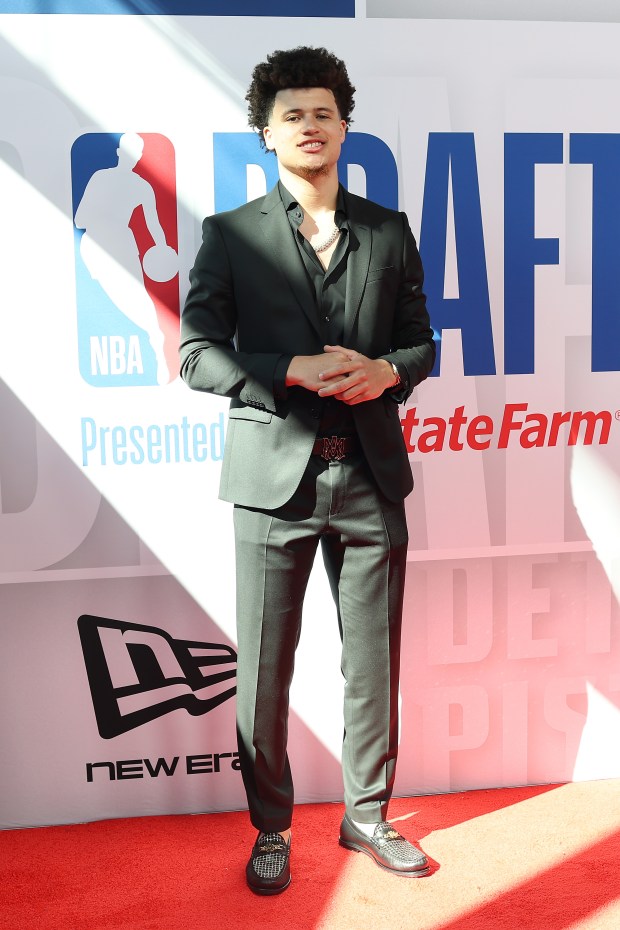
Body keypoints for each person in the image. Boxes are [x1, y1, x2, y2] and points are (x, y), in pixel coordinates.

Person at [180, 46, 436, 895]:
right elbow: (195, 355)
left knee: (373, 664)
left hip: (370, 477)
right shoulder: (230, 236)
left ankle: (367, 816)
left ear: (344, 126)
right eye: (292, 115)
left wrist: (387, 371)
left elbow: (422, 342)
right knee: (264, 670)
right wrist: (287, 369)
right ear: (267, 133)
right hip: (272, 487)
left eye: (323, 113)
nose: (310, 126)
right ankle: (271, 827)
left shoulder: (388, 230)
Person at [75, 132, 171, 385]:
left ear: (138, 157)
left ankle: (156, 342)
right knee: (111, 300)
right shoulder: (102, 178)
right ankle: (153, 339)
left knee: (137, 298)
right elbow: (79, 219)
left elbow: (154, 225)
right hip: (96, 248)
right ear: (120, 153)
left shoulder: (142, 186)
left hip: (122, 247)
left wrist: (162, 249)